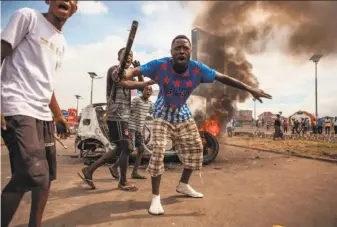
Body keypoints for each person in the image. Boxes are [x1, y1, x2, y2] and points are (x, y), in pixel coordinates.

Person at [117, 35, 272, 215]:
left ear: (190, 52)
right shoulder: (160, 65)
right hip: (162, 112)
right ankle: (155, 198)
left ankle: (183, 184)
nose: (181, 51)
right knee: (158, 150)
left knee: (197, 148)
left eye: (185, 48)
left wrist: (250, 88)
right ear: (171, 52)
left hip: (182, 112)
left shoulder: (198, 69)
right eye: (177, 48)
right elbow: (133, 72)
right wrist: (122, 73)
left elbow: (224, 78)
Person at [0, 1, 76, 226]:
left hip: (42, 113)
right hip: (16, 104)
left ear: (75, 8)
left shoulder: (62, 42)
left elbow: (46, 82)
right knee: (32, 173)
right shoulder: (28, 17)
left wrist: (58, 115)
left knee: (46, 178)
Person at [77, 48, 155, 191]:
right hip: (116, 115)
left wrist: (140, 73)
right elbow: (128, 84)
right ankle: (123, 181)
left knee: (121, 148)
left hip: (124, 116)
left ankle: (90, 170)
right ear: (118, 57)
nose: (129, 57)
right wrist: (149, 82)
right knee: (126, 146)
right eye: (125, 55)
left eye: (131, 55)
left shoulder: (130, 72)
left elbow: (140, 88)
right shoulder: (114, 70)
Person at [109, 85, 153, 180]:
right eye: (146, 89)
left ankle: (135, 172)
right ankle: (114, 166)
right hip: (131, 128)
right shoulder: (136, 99)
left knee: (141, 149)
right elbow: (128, 111)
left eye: (150, 90)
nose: (148, 91)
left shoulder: (150, 103)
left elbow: (153, 111)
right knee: (129, 149)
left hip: (139, 129)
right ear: (142, 90)